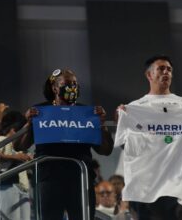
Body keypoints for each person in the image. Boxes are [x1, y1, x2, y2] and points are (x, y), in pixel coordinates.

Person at [115, 55, 182, 220]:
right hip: (146, 185)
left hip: (179, 183)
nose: (166, 72)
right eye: (161, 69)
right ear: (149, 75)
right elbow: (127, 147)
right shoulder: (135, 108)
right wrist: (121, 120)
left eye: (169, 69)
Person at [14, 68, 114, 220]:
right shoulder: (41, 111)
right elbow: (19, 146)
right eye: (67, 84)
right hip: (49, 179)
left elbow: (105, 150)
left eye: (75, 84)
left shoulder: (87, 112)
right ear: (55, 88)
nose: (72, 87)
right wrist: (28, 124)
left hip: (80, 179)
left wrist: (102, 126)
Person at [0, 110, 32, 220]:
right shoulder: (2, 139)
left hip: (21, 188)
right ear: (13, 130)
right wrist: (16, 157)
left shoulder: (18, 147)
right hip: (7, 186)